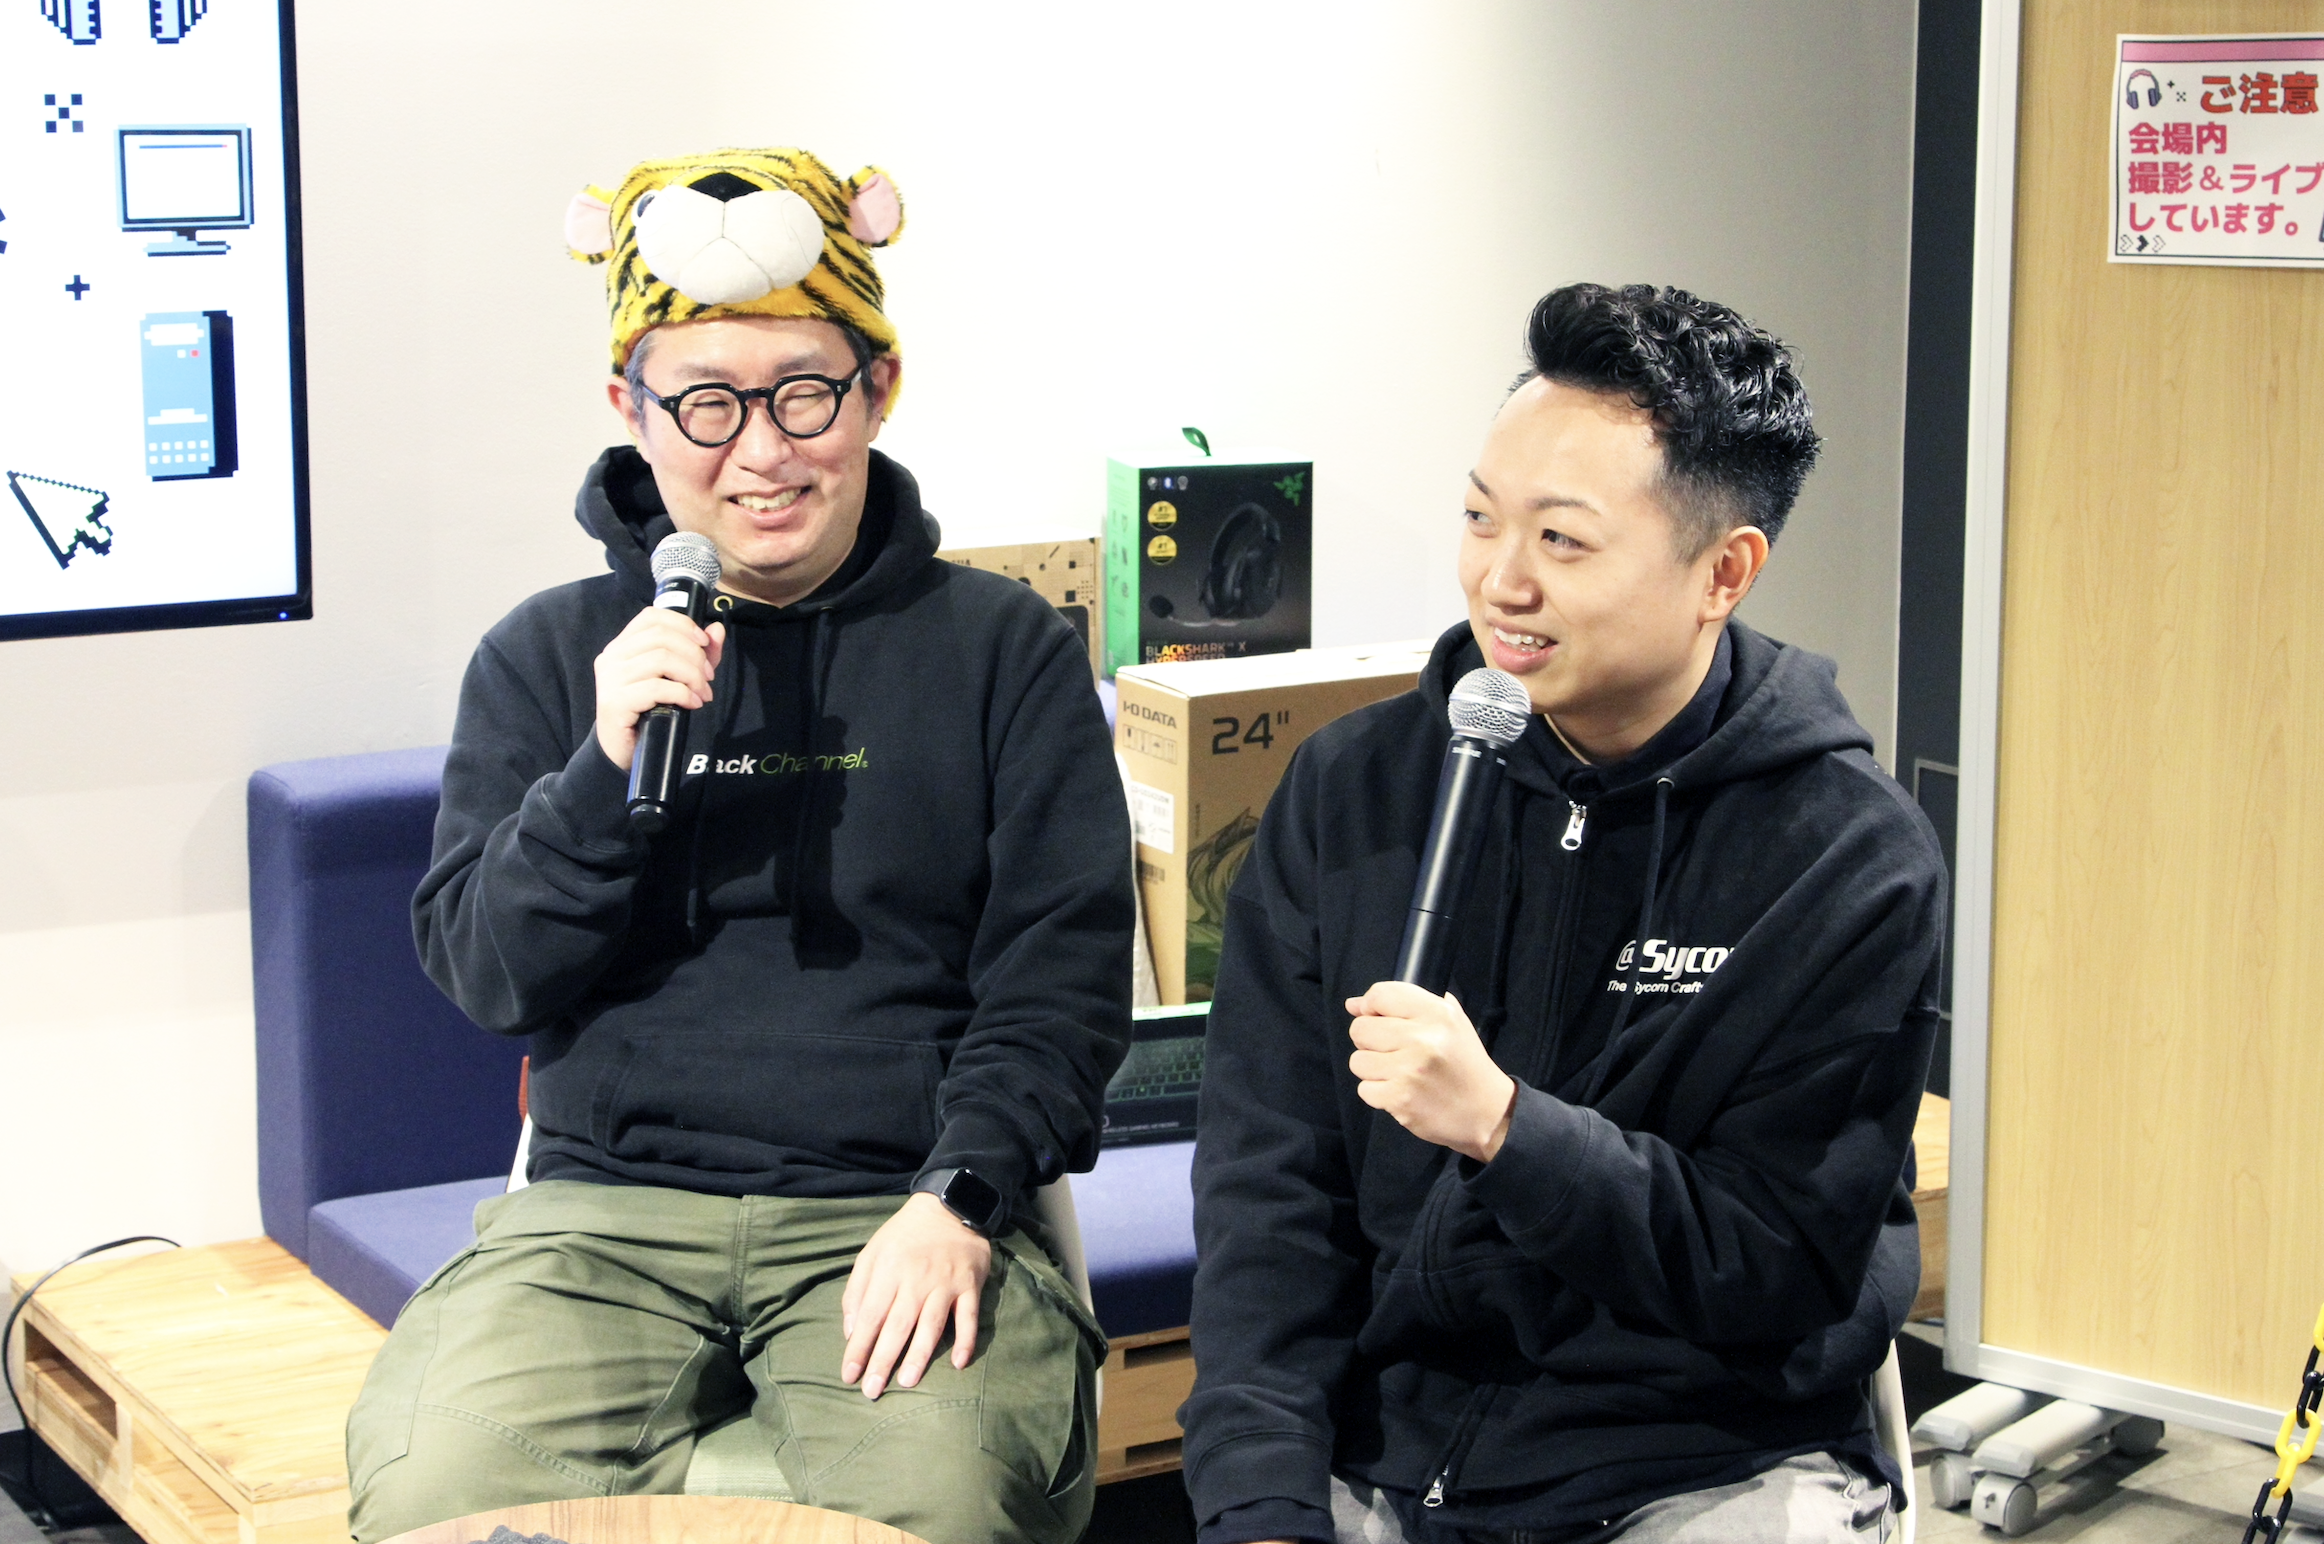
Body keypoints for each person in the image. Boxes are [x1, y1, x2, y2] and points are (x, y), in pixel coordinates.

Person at [344, 147, 1132, 1544]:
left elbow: (1058, 989)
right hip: (601, 1221)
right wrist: (599, 772)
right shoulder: (546, 654)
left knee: (935, 1504)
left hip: (897, 1201)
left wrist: (960, 1197)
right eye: (706, 403)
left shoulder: (1002, 651)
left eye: (803, 393)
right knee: (433, 1494)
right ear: (630, 409)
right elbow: (489, 975)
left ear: (878, 388)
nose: (761, 452)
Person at [1183, 283, 1945, 1544]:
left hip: (1699, 1453)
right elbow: (1266, 1191)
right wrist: (1262, 1500)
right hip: (1384, 1447)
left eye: (1562, 541)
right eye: (1480, 518)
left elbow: (1777, 1260)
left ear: (1722, 573)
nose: (1500, 580)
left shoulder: (1842, 856)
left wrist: (1504, 1127)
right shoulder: (1354, 789)